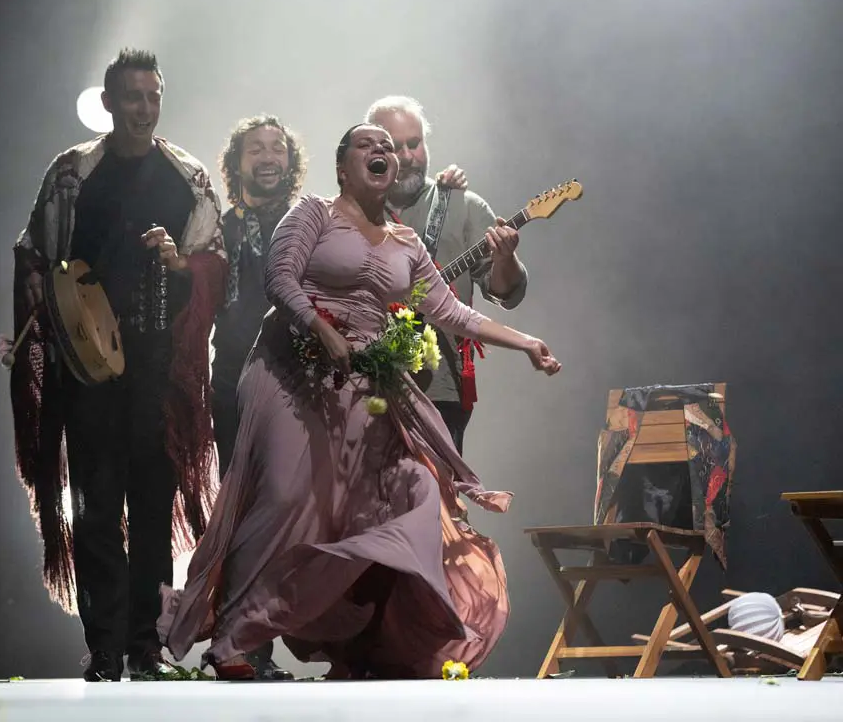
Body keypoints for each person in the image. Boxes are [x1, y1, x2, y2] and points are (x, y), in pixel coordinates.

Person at [157, 123, 561, 680]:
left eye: (389, 149)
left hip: (365, 384)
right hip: (289, 370)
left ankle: (370, 643)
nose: (382, 152)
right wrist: (321, 329)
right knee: (283, 495)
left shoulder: (407, 243)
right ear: (343, 166)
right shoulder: (313, 214)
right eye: (367, 146)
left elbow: (453, 313)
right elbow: (280, 279)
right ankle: (231, 639)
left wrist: (526, 343)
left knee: (412, 491)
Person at [10, 48, 227, 681]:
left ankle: (143, 644)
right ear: (108, 103)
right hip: (88, 365)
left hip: (156, 361)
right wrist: (38, 323)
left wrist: (180, 264)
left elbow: (213, 263)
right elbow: (33, 254)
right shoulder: (74, 172)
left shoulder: (185, 176)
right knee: (97, 503)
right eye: (133, 97)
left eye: (153, 97)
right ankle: (104, 647)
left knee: (153, 501)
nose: (144, 108)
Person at [366, 96, 528, 455]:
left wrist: (505, 258)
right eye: (396, 147)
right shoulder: (351, 212)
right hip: (364, 387)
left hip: (440, 388)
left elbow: (506, 293)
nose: (408, 156)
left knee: (439, 500)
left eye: (416, 143)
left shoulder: (463, 205)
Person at [210, 114, 307, 680]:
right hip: (233, 384)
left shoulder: (310, 220)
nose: (268, 157)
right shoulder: (217, 228)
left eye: (277, 148)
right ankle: (243, 648)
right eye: (255, 149)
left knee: (290, 514)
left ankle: (273, 639)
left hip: (299, 383)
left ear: (290, 161)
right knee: (243, 513)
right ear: (236, 164)